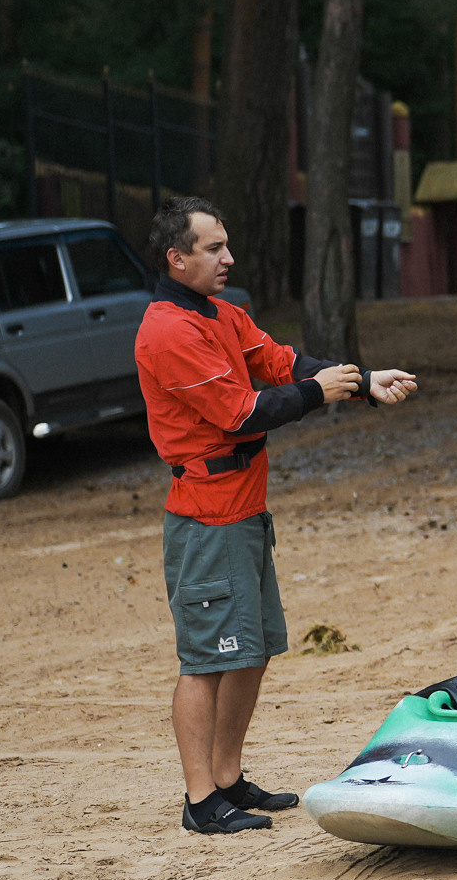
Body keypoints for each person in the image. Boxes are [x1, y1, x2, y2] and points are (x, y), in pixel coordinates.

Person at [137, 198, 419, 834]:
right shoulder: (169, 331)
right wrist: (319, 395)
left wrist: (361, 379)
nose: (228, 258)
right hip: (206, 517)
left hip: (243, 511)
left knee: (253, 650)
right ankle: (200, 799)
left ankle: (229, 778)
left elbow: (284, 363)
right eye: (214, 249)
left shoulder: (221, 315)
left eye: (227, 245)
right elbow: (241, 412)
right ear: (175, 259)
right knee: (208, 660)